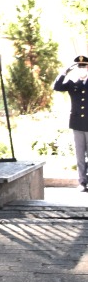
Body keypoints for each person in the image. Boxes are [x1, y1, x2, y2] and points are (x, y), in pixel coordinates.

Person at [54, 55, 88, 190]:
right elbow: (56, 87)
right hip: (77, 124)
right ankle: (82, 182)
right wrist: (65, 71)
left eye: (84, 66)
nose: (82, 69)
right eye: (79, 67)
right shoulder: (73, 84)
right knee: (80, 155)